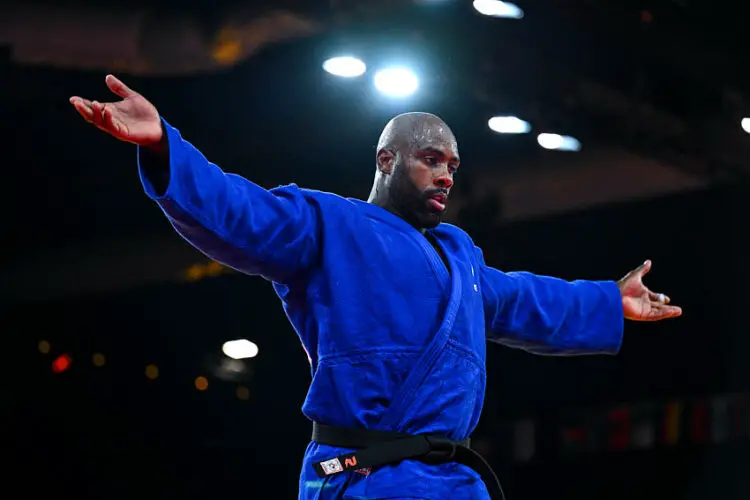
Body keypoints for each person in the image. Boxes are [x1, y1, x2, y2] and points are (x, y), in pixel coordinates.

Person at [70, 75, 682, 500]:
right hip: (365, 475)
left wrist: (609, 299)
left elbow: (525, 299)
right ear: (386, 160)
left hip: (453, 482)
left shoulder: (459, 259)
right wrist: (163, 145)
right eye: (431, 159)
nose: (445, 174)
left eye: (453, 165)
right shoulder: (329, 225)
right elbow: (240, 210)